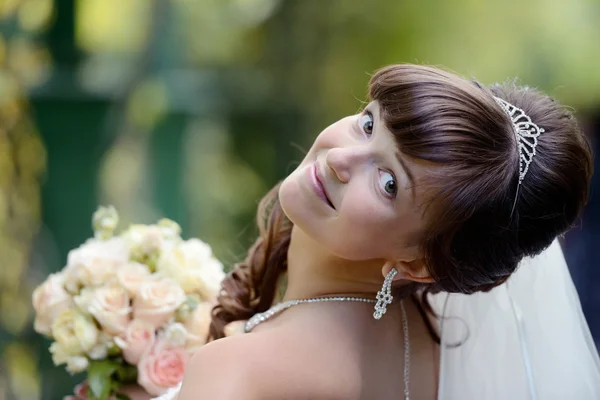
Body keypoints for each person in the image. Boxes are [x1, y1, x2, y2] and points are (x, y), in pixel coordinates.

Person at [167, 64, 600, 399]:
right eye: (369, 124)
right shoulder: (438, 349)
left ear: (418, 262)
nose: (342, 159)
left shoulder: (239, 370)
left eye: (389, 182)